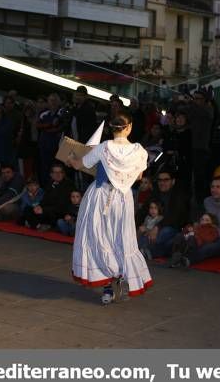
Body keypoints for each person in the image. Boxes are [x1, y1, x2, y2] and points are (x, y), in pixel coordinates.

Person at [67, 110, 152, 304]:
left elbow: (80, 164)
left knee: (100, 239)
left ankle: (107, 287)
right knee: (122, 238)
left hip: (101, 195)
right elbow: (138, 177)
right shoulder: (139, 151)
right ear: (129, 128)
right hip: (123, 199)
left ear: (111, 129)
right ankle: (121, 278)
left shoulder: (104, 147)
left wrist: (70, 156)